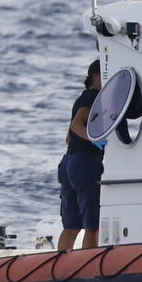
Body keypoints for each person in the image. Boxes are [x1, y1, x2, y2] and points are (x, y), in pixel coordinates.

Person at [57, 60, 106, 250]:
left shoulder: (80, 98)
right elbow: (76, 125)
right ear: (96, 75)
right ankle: (89, 270)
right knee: (92, 227)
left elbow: (69, 139)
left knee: (71, 227)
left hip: (69, 161)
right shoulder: (94, 97)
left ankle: (59, 267)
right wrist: (93, 139)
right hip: (85, 163)